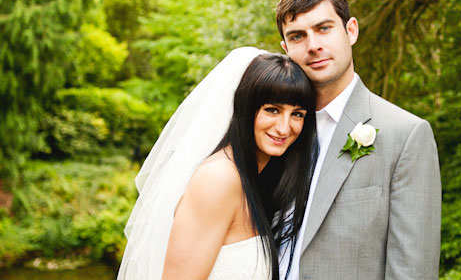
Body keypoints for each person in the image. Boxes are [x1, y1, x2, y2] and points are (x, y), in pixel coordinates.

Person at [276, 0, 442, 280]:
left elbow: (411, 270)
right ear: (286, 49)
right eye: (298, 36)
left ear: (350, 30)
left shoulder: (405, 134)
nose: (313, 45)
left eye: (324, 28)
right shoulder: (274, 133)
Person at [117, 48, 317, 280]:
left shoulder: (256, 179)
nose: (284, 127)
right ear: (246, 108)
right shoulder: (219, 178)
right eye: (272, 110)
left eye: (297, 114)